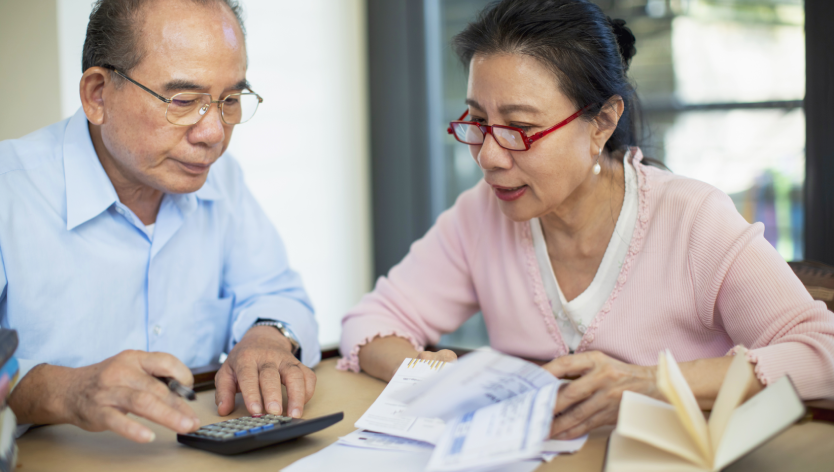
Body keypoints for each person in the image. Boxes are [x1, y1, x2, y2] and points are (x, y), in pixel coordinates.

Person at [339, 0, 834, 440]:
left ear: (602, 121)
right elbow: (371, 322)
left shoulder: (692, 219)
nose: (488, 155)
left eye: (521, 128)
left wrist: (650, 382)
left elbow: (823, 353)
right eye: (477, 121)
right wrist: (428, 373)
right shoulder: (481, 213)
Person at [0, 0, 319, 443]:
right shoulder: (9, 194)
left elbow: (279, 293)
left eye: (229, 100)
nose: (213, 134)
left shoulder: (221, 180)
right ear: (98, 95)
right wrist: (63, 390)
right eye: (184, 100)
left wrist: (268, 336)